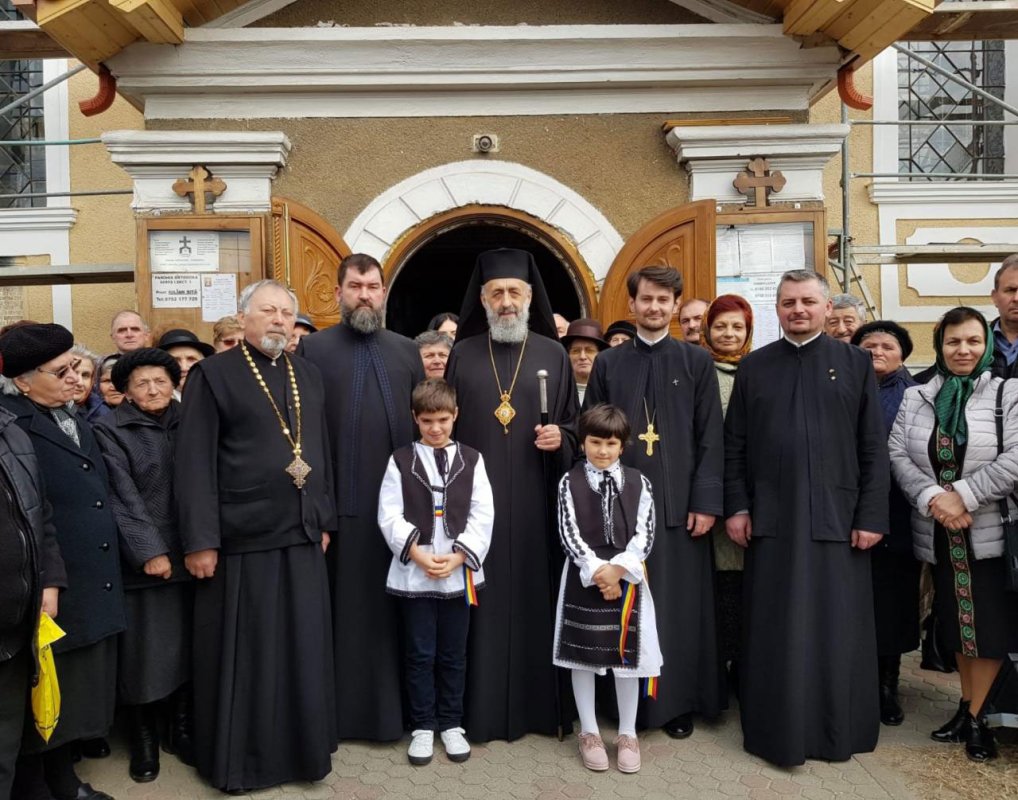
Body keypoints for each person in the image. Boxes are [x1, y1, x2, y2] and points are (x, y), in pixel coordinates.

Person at [174, 280, 337, 793]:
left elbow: (320, 452)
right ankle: (243, 762)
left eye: (287, 313)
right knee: (250, 656)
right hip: (241, 538)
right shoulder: (213, 375)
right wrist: (200, 539)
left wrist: (323, 517)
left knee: (301, 649)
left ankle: (302, 752)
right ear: (243, 318)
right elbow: (194, 462)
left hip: (302, 533)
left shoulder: (306, 373)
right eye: (268, 311)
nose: (279, 320)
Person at [724, 269, 888, 767]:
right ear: (777, 310)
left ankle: (836, 730)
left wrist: (871, 515)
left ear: (825, 308)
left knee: (836, 626)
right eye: (789, 302)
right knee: (776, 627)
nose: (798, 309)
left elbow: (871, 446)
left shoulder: (855, 363)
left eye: (808, 301)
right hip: (771, 522)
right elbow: (735, 447)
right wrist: (736, 506)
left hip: (838, 520)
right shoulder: (755, 366)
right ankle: (778, 729)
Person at [584, 266, 724, 739]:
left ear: (676, 305)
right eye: (647, 299)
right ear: (632, 304)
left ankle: (676, 704)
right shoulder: (608, 365)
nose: (655, 307)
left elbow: (711, 439)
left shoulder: (696, 362)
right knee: (623, 606)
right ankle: (621, 708)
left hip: (679, 509)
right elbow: (593, 435)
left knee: (676, 610)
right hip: (620, 512)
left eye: (664, 300)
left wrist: (705, 502)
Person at [446, 248, 578, 742]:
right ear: (482, 300)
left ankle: (538, 709)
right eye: (496, 293)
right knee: (478, 603)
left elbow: (572, 427)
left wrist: (560, 439)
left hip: (532, 502)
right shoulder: (462, 354)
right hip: (475, 506)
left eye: (514, 292)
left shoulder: (552, 353)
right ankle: (474, 711)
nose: (506, 301)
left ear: (529, 298)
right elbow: (445, 429)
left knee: (530, 597)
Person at [300, 253, 424, 742]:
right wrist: (321, 511)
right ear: (338, 294)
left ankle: (403, 716)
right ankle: (346, 717)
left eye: (373, 286)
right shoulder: (312, 350)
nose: (366, 295)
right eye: (356, 286)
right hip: (342, 514)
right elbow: (305, 437)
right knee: (347, 617)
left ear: (383, 291)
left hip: (401, 514)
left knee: (400, 615)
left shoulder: (406, 351)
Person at [0, 323, 124, 800]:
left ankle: (61, 780)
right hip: (48, 580)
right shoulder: (13, 424)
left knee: (68, 690)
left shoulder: (66, 416)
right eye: (62, 371)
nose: (77, 378)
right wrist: (49, 578)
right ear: (24, 381)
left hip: (85, 575)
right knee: (40, 689)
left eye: (76, 366)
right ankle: (42, 787)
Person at [889, 306, 1018, 762]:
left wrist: (960, 496)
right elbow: (899, 455)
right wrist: (932, 499)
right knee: (957, 627)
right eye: (953, 342)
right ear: (940, 347)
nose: (963, 350)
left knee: (987, 627)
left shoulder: (1008, 393)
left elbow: (1015, 459)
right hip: (941, 534)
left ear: (985, 345)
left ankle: (984, 718)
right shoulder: (918, 396)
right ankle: (966, 706)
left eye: (972, 341)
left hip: (988, 531)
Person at [377, 378, 494, 766]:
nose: (436, 428)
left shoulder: (473, 459)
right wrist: (418, 553)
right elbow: (389, 513)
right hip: (416, 573)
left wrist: (461, 557)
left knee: (453, 653)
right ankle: (423, 726)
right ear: (415, 418)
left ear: (456, 415)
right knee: (420, 652)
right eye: (427, 420)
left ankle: (452, 724)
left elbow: (482, 513)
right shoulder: (400, 460)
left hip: (459, 574)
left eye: (443, 419)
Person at [93, 348, 193, 783]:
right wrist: (149, 551)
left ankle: (183, 729)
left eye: (161, 381)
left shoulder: (192, 420)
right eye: (141, 383)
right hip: (145, 565)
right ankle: (144, 738)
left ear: (174, 384)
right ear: (126, 391)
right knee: (146, 657)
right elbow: (120, 495)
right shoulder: (109, 429)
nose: (153, 389)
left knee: (190, 649)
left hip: (195, 555)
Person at [555, 405, 661, 775]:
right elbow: (569, 533)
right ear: (583, 443)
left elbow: (644, 534)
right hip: (585, 576)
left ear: (623, 445)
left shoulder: (639, 482)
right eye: (595, 442)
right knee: (583, 655)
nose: (602, 450)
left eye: (610, 443)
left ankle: (628, 733)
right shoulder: (569, 482)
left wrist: (618, 571)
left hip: (628, 576)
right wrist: (599, 572)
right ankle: (589, 731)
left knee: (627, 658)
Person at [0, 358, 65, 800]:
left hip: (15, 622)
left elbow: (40, 517)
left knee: (6, 740)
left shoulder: (12, 430)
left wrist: (48, 582)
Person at [850, 321, 921, 727]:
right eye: (868, 344)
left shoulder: (915, 395)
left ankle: (886, 684)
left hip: (898, 512)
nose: (877, 351)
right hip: (847, 511)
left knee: (890, 604)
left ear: (903, 354)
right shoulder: (843, 386)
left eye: (887, 345)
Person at [701, 294, 753, 692]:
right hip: (706, 496)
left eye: (737, 327)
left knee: (743, 584)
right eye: (720, 326)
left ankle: (742, 668)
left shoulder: (759, 369)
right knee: (714, 587)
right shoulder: (697, 368)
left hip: (747, 497)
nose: (729, 334)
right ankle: (715, 667)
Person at [561, 319, 608, 405]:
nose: (582, 357)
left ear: (601, 354)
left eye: (589, 351)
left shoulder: (609, 392)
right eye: (576, 351)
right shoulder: (559, 392)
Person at [70, 344, 108, 423]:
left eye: (85, 376)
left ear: (92, 381)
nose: (79, 382)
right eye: (73, 373)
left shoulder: (105, 416)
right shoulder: (42, 414)